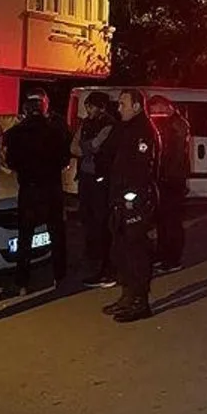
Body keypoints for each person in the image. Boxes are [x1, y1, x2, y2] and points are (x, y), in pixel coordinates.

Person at [3, 88, 72, 295]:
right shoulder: (56, 131)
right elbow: (65, 160)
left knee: (25, 237)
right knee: (57, 234)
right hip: (51, 189)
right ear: (44, 106)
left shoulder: (15, 133)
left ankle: (22, 282)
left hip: (29, 189)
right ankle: (60, 277)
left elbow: (11, 163)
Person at [103, 89, 160, 323]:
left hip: (135, 201)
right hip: (120, 199)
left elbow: (142, 169)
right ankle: (127, 296)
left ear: (136, 106)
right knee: (122, 250)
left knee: (137, 251)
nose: (119, 108)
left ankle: (140, 302)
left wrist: (131, 198)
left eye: (123, 104)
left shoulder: (143, 131)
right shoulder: (124, 128)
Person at [75, 91, 119, 289]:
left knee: (102, 221)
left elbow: (93, 146)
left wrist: (86, 146)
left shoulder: (109, 124)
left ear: (101, 107)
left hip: (100, 178)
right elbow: (74, 147)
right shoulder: (86, 123)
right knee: (88, 218)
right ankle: (93, 257)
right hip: (86, 176)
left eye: (90, 106)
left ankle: (106, 265)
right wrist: (86, 146)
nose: (88, 110)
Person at [148, 95, 190, 274]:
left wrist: (166, 173)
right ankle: (162, 253)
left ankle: (172, 259)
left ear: (166, 107)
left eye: (157, 110)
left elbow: (175, 153)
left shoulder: (177, 125)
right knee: (163, 219)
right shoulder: (167, 124)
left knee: (171, 220)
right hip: (164, 177)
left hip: (173, 178)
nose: (154, 114)